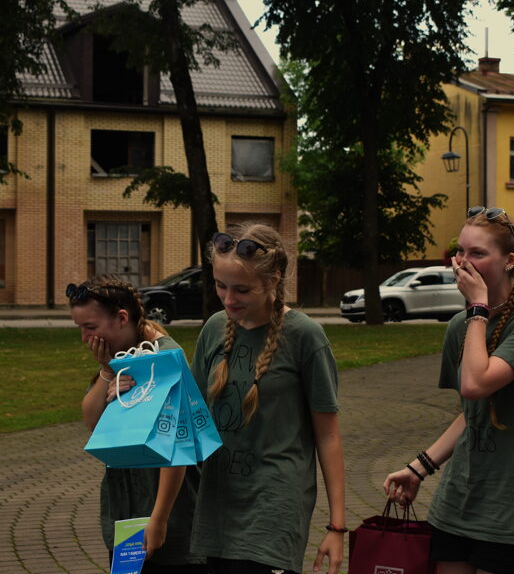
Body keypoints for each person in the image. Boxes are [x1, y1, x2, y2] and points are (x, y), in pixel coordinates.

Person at [384, 207, 514, 574]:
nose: (463, 262)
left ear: (510, 261)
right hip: (458, 504)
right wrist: (419, 467)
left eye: (478, 253)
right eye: (460, 251)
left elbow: (475, 384)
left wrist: (478, 308)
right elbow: (472, 413)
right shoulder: (459, 327)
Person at [189, 223, 345, 574]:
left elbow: (328, 436)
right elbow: (191, 416)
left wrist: (337, 526)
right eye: (220, 285)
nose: (229, 299)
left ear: (273, 279)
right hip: (217, 504)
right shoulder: (213, 328)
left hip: (274, 507)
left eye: (242, 290)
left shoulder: (305, 336)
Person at [68, 274, 204, 573]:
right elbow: (92, 421)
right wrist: (106, 370)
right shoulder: (119, 355)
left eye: (90, 327)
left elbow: (177, 447)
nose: (85, 338)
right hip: (128, 510)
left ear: (121, 318)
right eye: (80, 328)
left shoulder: (165, 358)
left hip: (167, 511)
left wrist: (160, 518)